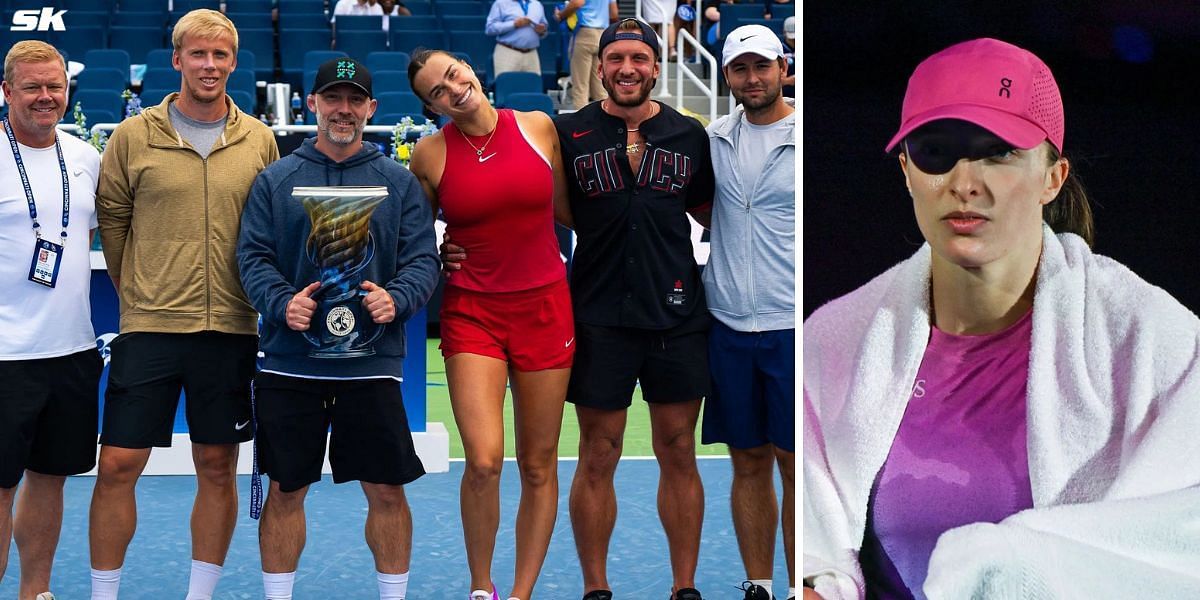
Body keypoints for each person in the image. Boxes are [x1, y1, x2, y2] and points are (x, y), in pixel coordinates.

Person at [804, 38, 1200, 599]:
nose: (964, 182)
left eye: (998, 152)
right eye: (935, 151)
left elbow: (1181, 546)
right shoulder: (832, 344)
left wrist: (1017, 568)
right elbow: (811, 547)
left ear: (1053, 177)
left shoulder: (1152, 341)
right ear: (907, 172)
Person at [446, 18, 716, 600]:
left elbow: (715, 214)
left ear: (656, 66)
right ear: (599, 66)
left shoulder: (690, 135)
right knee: (599, 450)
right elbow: (520, 193)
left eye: (638, 59)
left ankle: (685, 586)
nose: (626, 69)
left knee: (677, 447)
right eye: (615, 58)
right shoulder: (565, 134)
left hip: (676, 312)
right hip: (595, 313)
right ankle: (596, 588)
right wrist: (457, 240)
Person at [92, 9, 279, 600]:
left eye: (220, 56)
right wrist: (138, 293)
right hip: (149, 327)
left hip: (229, 327)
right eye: (198, 54)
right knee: (118, 465)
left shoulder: (260, 138)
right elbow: (113, 222)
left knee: (217, 466)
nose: (209, 65)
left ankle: (200, 595)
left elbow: (273, 228)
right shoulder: (133, 135)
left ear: (233, 62)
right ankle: (104, 592)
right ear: (176, 61)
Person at [237, 56, 439, 600]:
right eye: (332, 98)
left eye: (354, 99)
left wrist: (397, 298)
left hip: (370, 367)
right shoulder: (275, 180)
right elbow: (252, 257)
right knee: (285, 489)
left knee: (388, 491)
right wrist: (281, 303)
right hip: (289, 362)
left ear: (372, 108)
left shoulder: (398, 183)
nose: (343, 110)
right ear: (312, 104)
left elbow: (423, 260)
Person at [408, 48, 573, 600]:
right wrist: (440, 254)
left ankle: (520, 593)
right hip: (474, 313)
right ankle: (482, 588)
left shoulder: (539, 127)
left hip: (547, 312)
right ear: (431, 106)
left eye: (453, 74)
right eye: (437, 91)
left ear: (469, 68)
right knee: (481, 459)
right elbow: (413, 243)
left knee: (537, 462)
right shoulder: (429, 156)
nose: (452, 89)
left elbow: (573, 214)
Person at [0, 39, 102, 600]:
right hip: (4, 355)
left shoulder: (84, 156)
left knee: (50, 479)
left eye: (55, 86)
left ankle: (34, 592)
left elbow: (75, 239)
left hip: (70, 350)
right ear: (7, 91)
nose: (46, 97)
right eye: (33, 87)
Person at [701, 25, 795, 600]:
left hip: (792, 327)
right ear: (728, 76)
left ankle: (799, 586)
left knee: (794, 463)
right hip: (730, 325)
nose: (752, 78)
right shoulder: (714, 138)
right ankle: (758, 586)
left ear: (783, 67)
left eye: (762, 67)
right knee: (749, 461)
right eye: (741, 69)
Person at [555, 0, 619, 109]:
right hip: (602, 35)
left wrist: (561, 15)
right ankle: (605, 121)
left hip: (584, 33)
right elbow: (614, 13)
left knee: (580, 86)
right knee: (599, 87)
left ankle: (582, 124)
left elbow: (577, 3)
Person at [486, 0, 550, 77]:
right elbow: (490, 28)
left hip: (532, 54)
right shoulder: (500, 3)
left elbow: (544, 27)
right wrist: (513, 24)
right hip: (508, 52)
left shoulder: (536, 4)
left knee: (533, 85)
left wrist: (542, 31)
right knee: (506, 84)